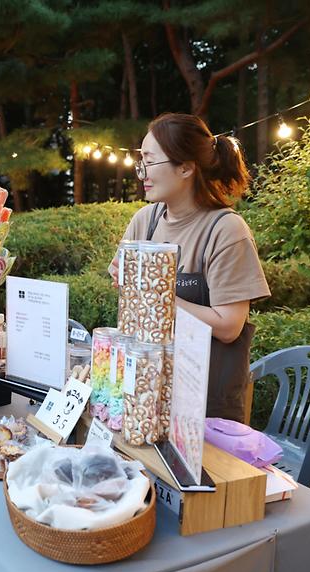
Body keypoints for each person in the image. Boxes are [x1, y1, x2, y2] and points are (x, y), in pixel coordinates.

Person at [109, 113, 270, 423]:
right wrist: (122, 276)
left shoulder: (225, 230)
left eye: (149, 161)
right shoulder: (146, 221)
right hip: (146, 395)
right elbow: (127, 291)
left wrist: (158, 297)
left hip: (205, 407)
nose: (141, 172)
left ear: (185, 167)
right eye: (139, 161)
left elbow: (228, 326)